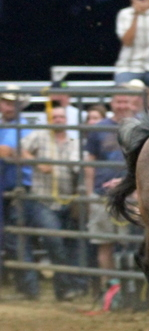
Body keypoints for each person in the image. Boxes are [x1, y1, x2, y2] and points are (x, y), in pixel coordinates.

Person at [20, 104, 87, 300]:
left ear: (66, 119)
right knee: (54, 240)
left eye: (61, 117)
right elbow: (21, 148)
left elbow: (80, 169)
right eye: (54, 117)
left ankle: (64, 289)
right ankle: (66, 287)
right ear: (49, 119)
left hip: (68, 199)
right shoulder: (39, 136)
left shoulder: (74, 140)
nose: (58, 120)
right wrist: (36, 163)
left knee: (69, 244)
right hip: (44, 200)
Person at [84, 93, 136, 285]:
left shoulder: (140, 127)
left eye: (125, 100)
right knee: (104, 243)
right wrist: (90, 194)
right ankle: (110, 288)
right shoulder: (99, 129)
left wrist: (131, 184)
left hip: (132, 194)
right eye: (118, 101)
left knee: (130, 243)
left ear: (132, 102)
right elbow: (90, 162)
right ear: (111, 103)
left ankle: (130, 287)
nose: (122, 105)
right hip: (101, 193)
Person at [0, 87, 36, 298]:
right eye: (4, 101)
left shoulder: (24, 127)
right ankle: (23, 285)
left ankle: (29, 287)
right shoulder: (6, 125)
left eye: (10, 102)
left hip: (18, 187)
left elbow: (12, 152)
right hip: (6, 185)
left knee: (17, 237)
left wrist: (8, 152)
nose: (5, 106)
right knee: (12, 237)